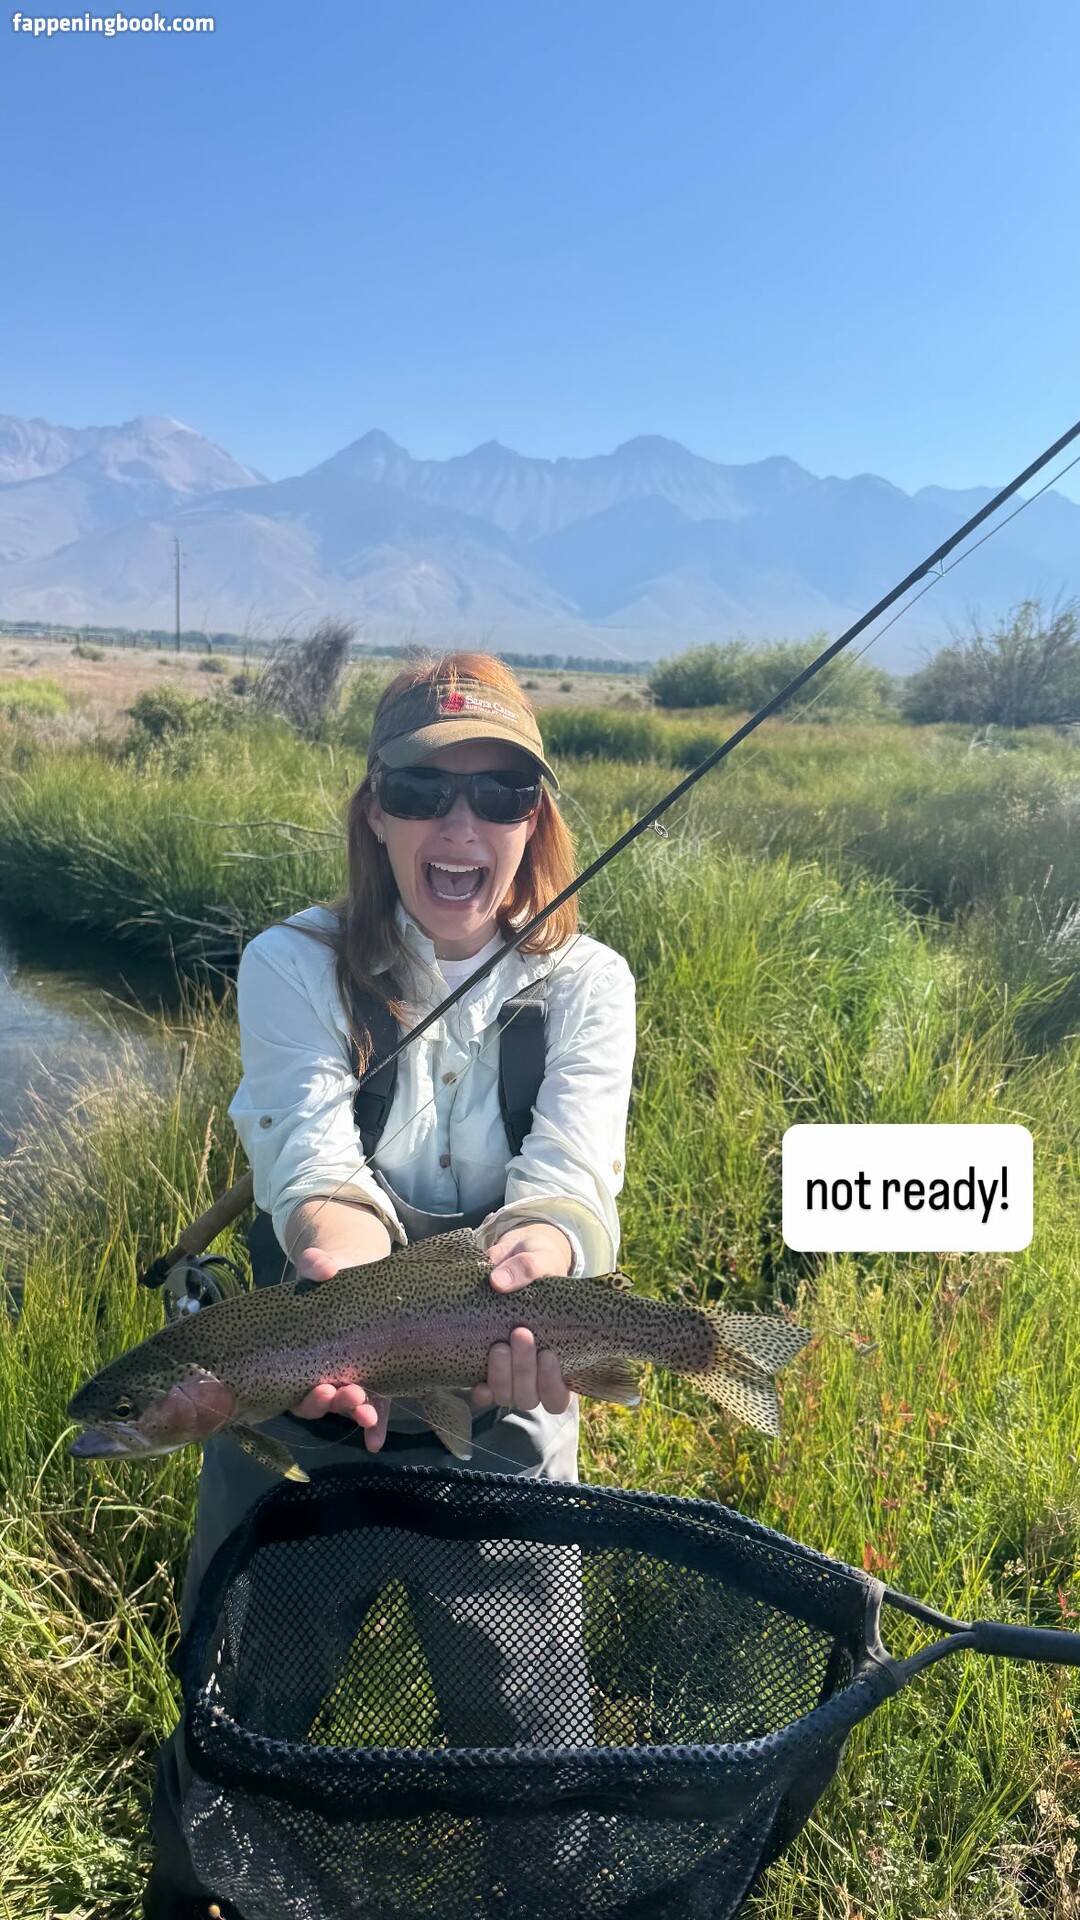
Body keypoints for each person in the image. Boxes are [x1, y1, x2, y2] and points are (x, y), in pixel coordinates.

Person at [144, 650, 637, 1918]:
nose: (460, 826)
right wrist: (345, 1300)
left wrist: (538, 1264)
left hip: (506, 1378)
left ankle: (534, 1885)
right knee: (246, 1703)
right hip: (305, 1377)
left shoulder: (587, 984)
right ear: (375, 811)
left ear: (537, 814)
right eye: (423, 790)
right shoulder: (292, 963)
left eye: (499, 792)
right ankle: (207, 1890)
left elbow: (572, 1184)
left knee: (526, 1730)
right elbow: (313, 1165)